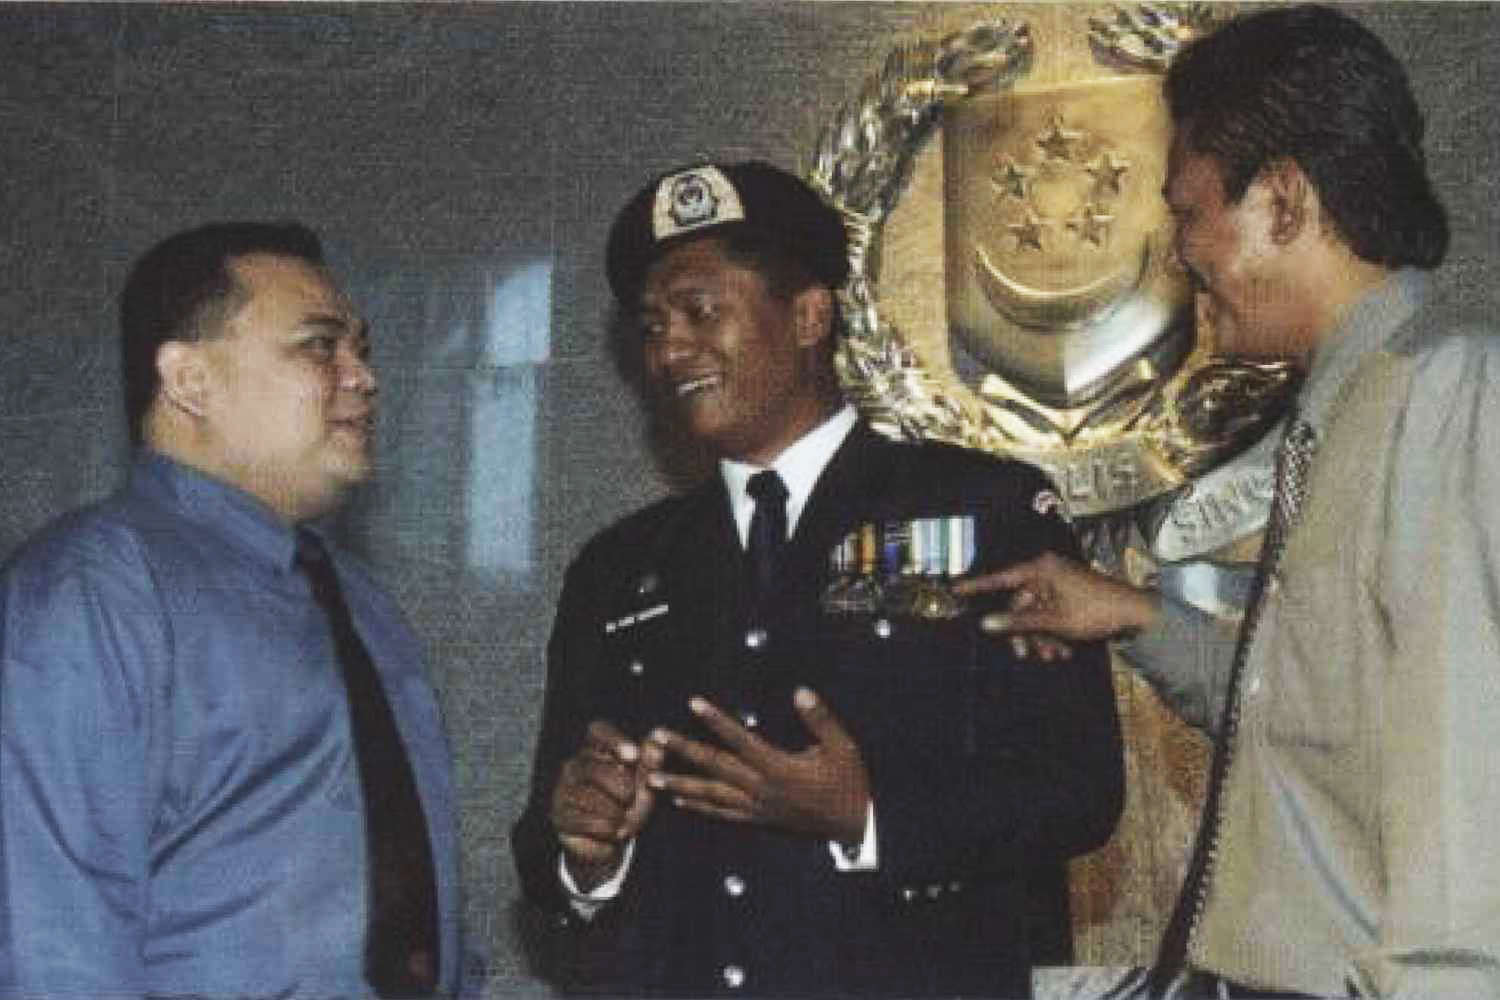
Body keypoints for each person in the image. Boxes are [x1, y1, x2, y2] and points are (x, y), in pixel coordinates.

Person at [959, 6, 1500, 997]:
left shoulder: (1442, 395)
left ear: (1284, 202)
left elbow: (1465, 790)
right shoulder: (1345, 413)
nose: (1181, 251)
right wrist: (1134, 615)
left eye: (1190, 211)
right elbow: (1308, 719)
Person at [511, 160, 1123, 997]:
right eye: (651, 327)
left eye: (700, 312)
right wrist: (587, 850)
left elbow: (1076, 787)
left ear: (807, 315)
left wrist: (869, 814)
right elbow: (546, 843)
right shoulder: (620, 569)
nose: (670, 349)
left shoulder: (981, 510)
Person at [0, 222, 480, 998]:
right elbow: (52, 944)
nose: (363, 377)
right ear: (189, 380)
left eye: (363, 348)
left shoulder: (365, 608)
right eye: (320, 346)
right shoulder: (97, 589)